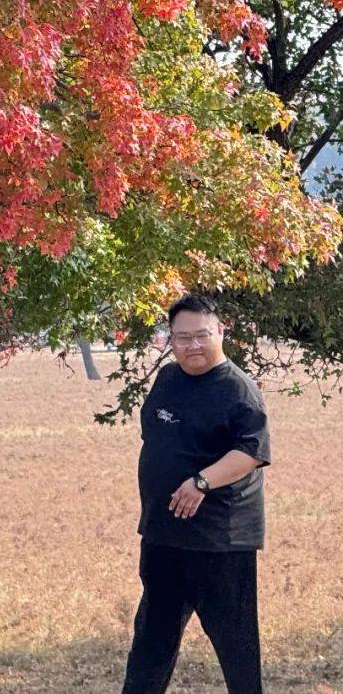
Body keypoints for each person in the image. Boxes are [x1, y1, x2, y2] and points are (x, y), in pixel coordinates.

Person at [121, 293, 271, 694]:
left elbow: (251, 452)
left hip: (219, 543)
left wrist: (202, 481)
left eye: (202, 335)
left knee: (236, 646)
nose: (193, 346)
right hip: (164, 536)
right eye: (182, 338)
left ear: (221, 332)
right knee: (152, 640)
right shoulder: (168, 378)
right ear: (171, 339)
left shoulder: (239, 391)